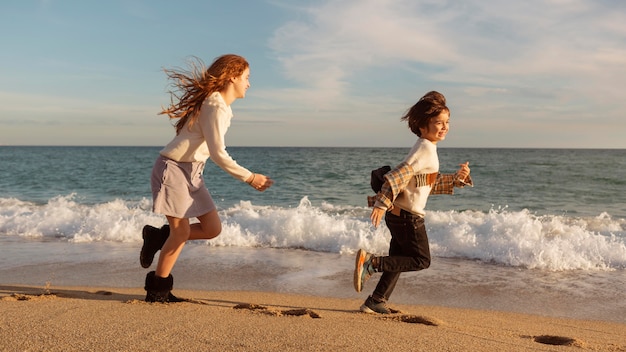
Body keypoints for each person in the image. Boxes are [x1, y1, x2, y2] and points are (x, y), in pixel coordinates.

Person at [140, 54, 274, 303]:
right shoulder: (214, 106)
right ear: (232, 76)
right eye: (247, 77)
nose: (249, 83)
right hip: (174, 169)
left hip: (192, 172)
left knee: (212, 229)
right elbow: (218, 153)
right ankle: (158, 291)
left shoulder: (220, 106)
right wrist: (250, 177)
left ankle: (158, 237)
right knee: (179, 234)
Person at [354, 91, 472, 314]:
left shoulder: (426, 147)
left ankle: (376, 301)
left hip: (399, 214)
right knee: (420, 260)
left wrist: (458, 180)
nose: (445, 127)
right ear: (422, 126)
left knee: (399, 258)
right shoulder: (425, 148)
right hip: (408, 216)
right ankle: (372, 264)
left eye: (447, 122)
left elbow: (422, 183)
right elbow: (399, 175)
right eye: (439, 123)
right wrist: (381, 203)